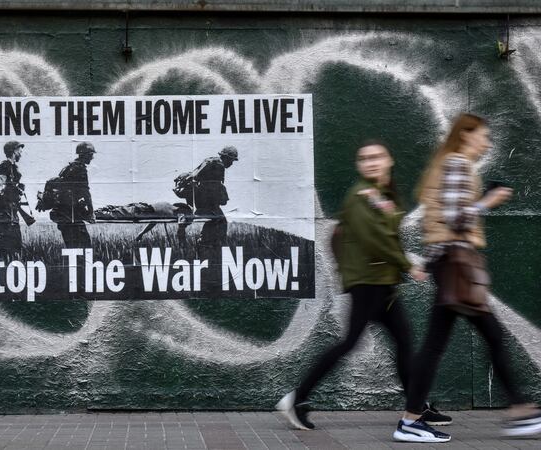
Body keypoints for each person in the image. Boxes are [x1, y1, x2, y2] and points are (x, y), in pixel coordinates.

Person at [277, 141, 450, 430]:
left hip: (382, 284)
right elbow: (375, 240)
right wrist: (409, 265)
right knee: (350, 342)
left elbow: (385, 233)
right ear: (359, 166)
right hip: (368, 284)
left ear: (389, 160)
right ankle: (297, 398)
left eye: (377, 157)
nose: (371, 162)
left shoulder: (381, 195)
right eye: (364, 158)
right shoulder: (360, 196)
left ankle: (416, 407)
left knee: (404, 343)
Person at [393, 114, 541, 443]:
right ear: (465, 136)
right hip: (459, 267)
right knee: (493, 338)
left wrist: (429, 265)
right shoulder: (458, 163)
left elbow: (436, 226)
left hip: (449, 266)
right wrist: (488, 201)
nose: (486, 143)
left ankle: (411, 419)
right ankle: (519, 410)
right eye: (482, 136)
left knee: (435, 346)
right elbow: (454, 219)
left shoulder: (445, 164)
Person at [50, 142, 96, 248]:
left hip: (63, 215)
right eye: (91, 154)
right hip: (71, 217)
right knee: (85, 246)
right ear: (85, 154)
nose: (92, 157)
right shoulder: (80, 169)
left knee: (72, 247)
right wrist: (91, 213)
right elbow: (86, 193)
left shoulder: (67, 168)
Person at [192, 146, 238, 249]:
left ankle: (204, 242)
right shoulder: (218, 165)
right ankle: (208, 244)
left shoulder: (214, 163)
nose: (231, 163)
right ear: (226, 157)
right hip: (208, 204)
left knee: (215, 221)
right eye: (231, 160)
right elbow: (214, 188)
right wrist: (222, 198)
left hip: (203, 202)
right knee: (220, 222)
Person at [0, 140, 28, 258]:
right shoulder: (6, 166)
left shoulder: (10, 166)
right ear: (14, 151)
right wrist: (16, 189)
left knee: (15, 241)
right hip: (5, 210)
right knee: (10, 238)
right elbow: (3, 189)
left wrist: (18, 188)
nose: (21, 154)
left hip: (11, 209)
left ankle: (2, 260)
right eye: (20, 151)